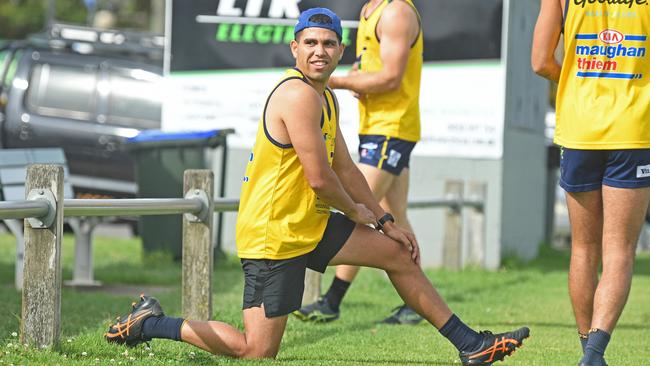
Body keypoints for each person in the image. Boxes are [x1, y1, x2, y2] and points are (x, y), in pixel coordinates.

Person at [105, 8, 529, 365]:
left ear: (341, 51)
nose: (319, 51)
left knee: (399, 254)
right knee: (256, 351)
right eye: (310, 43)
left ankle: (471, 346)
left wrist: (385, 220)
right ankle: (150, 323)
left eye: (328, 44)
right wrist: (359, 213)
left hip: (309, 223)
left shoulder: (326, 97)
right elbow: (320, 178)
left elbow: (345, 168)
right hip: (275, 236)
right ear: (295, 48)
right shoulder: (297, 95)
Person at [532, 1, 650, 365]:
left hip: (579, 129)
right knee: (619, 250)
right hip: (633, 130)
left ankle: (589, 352)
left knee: (583, 249)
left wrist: (576, 81)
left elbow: (540, 61)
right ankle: (595, 354)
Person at [295, 0, 424, 325]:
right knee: (397, 217)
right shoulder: (371, 9)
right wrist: (357, 78)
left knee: (359, 210)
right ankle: (417, 305)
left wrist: (335, 81)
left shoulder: (396, 12)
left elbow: (391, 78)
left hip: (391, 129)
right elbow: (376, 71)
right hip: (377, 127)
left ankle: (332, 300)